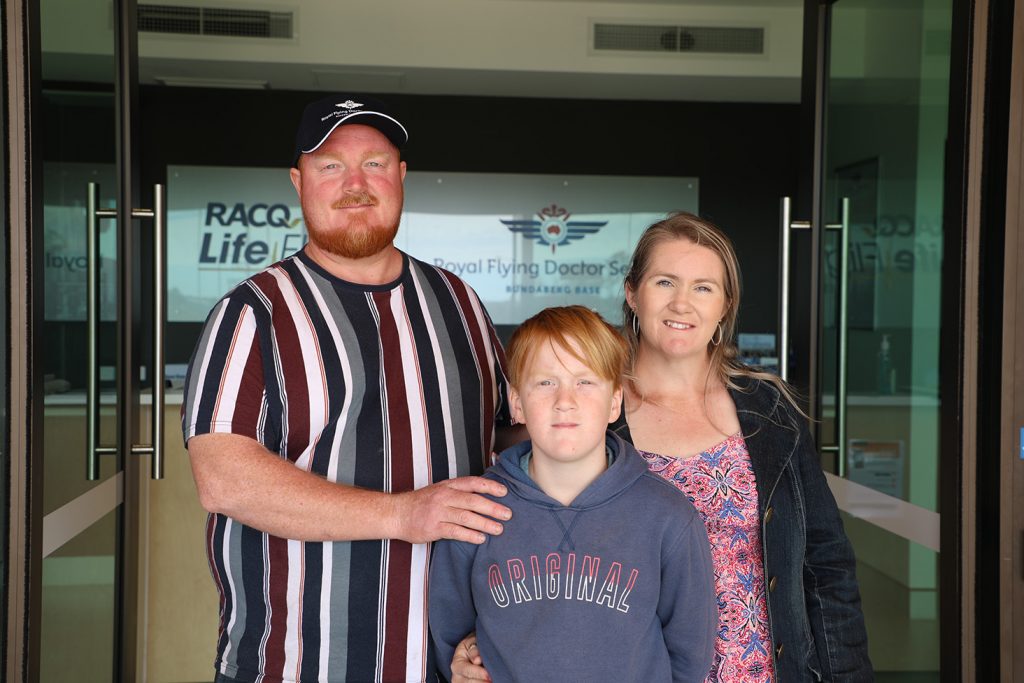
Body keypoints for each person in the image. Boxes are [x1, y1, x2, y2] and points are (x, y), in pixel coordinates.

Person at [181, 94, 515, 683]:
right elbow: (225, 479)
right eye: (330, 165)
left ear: (402, 176)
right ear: (298, 180)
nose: (355, 183)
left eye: (375, 164)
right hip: (295, 665)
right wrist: (401, 514)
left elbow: (508, 445)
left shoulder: (460, 303)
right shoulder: (253, 311)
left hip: (448, 666)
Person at [452, 213, 872, 682]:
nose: (682, 303)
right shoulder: (585, 410)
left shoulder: (769, 411)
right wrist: (477, 641)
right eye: (665, 281)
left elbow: (825, 565)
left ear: (725, 305)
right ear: (633, 293)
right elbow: (530, 557)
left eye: (703, 287)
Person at [430, 305, 717, 682]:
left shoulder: (668, 517)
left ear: (615, 401)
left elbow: (690, 656)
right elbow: (449, 644)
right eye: (545, 382)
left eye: (585, 381)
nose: (565, 400)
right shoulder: (476, 512)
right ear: (517, 402)